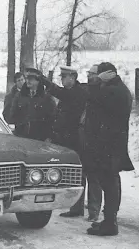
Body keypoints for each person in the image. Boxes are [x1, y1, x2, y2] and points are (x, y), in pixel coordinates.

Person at [40, 65, 101, 221]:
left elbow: (62, 94)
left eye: (64, 77)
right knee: (77, 175)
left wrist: (46, 82)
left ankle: (94, 211)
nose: (62, 80)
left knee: (91, 175)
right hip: (72, 140)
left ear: (72, 77)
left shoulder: (79, 92)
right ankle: (76, 207)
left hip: (83, 140)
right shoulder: (70, 93)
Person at [82, 62, 135, 236]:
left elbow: (94, 98)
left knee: (110, 183)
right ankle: (109, 220)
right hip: (109, 144)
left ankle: (110, 222)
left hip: (110, 145)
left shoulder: (115, 91)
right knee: (108, 181)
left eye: (100, 74)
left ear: (110, 74)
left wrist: (93, 84)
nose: (97, 77)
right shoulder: (115, 89)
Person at [9, 67, 56, 141]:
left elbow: (52, 120)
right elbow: (12, 116)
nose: (27, 81)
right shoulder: (19, 96)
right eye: (26, 78)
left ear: (38, 80)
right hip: (21, 137)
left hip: (40, 139)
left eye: (31, 79)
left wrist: (48, 137)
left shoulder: (47, 98)